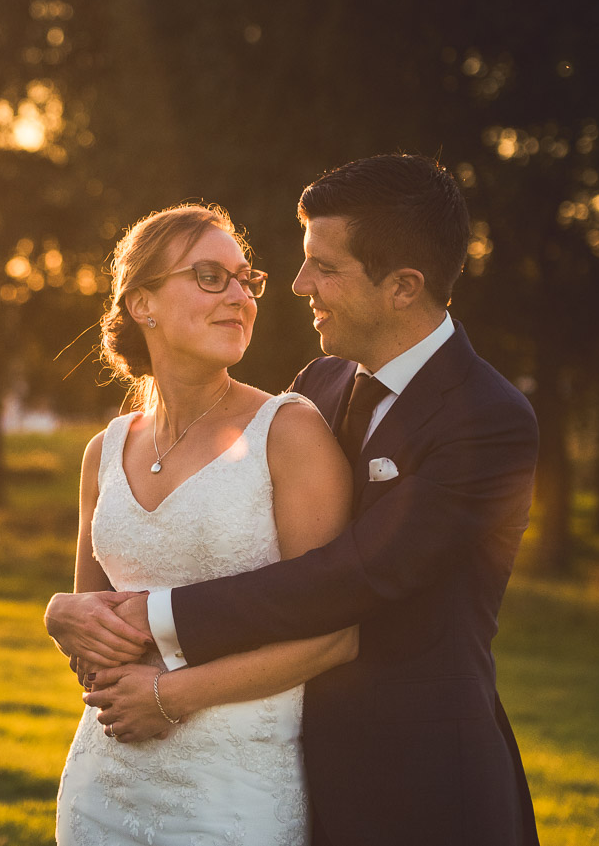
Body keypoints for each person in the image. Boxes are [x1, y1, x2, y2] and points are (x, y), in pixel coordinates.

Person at [47, 154, 541, 846]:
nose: (298, 284)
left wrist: (157, 632)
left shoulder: (488, 419)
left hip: (419, 775)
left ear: (403, 287)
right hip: (284, 751)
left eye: (325, 267)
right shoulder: (323, 382)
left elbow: (357, 574)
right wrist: (66, 611)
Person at [52, 202, 357, 845]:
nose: (240, 297)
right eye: (211, 277)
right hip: (104, 787)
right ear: (143, 302)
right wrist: (59, 616)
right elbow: (94, 629)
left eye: (247, 279)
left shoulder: (289, 433)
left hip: (233, 797)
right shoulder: (103, 452)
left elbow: (335, 636)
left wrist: (170, 696)